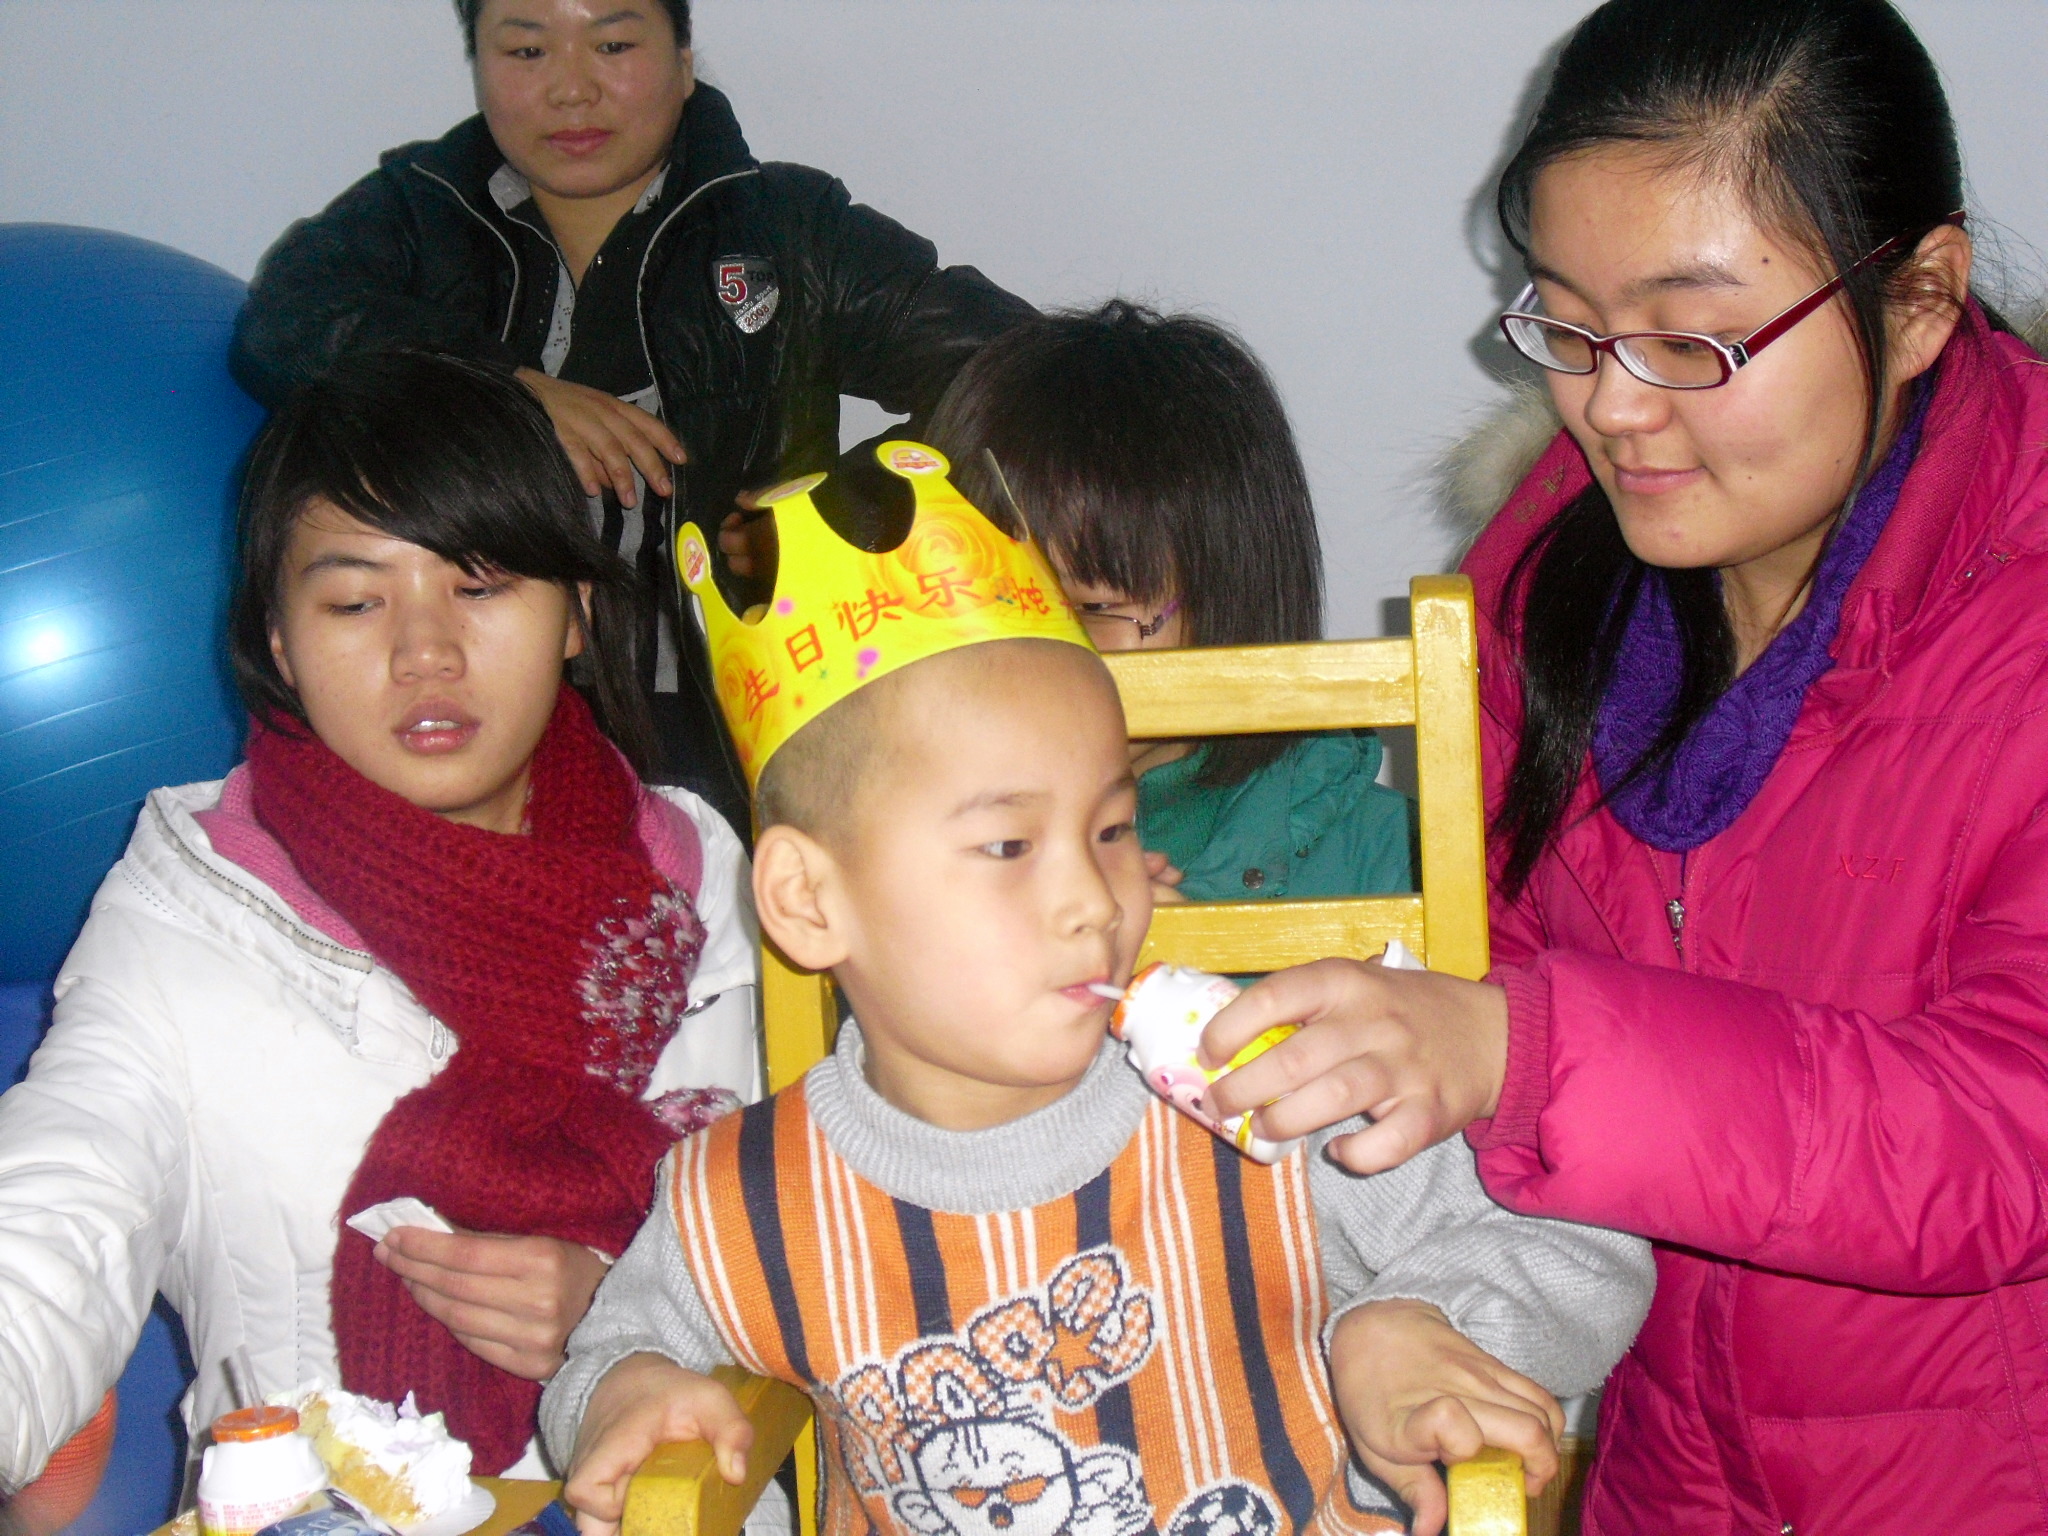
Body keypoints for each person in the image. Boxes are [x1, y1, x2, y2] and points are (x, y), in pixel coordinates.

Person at [1195, 1, 2048, 1530]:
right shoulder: (1552, 583)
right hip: (1671, 1483)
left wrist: (1519, 1053)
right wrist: (1415, 1317)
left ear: (1919, 300)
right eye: (1568, 325)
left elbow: (2000, 1143)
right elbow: (1488, 1034)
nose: (1611, 406)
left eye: (1691, 338)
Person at [537, 453, 1653, 1536]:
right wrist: (627, 1395)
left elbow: (1581, 1238)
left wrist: (1419, 1324)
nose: (1093, 898)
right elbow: (609, 1357)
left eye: (1112, 828)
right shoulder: (737, 1201)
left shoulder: (1254, 1089)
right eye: (1009, 844)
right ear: (807, 900)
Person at [0, 352, 760, 1488]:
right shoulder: (189, 907)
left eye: (481, 585)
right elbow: (60, 1212)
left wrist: (631, 1319)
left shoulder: (704, 880)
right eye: (357, 602)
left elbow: (819, 1226)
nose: (425, 653)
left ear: (575, 613)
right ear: (277, 641)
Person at [228, 0, 1036, 835]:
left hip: (742, 714)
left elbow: (1021, 371)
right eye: (527, 51)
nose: (571, 89)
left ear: (684, 60)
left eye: (612, 43)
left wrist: (845, 514)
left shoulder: (789, 228)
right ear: (479, 65)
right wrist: (509, 391)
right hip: (477, 712)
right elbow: (282, 324)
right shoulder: (419, 213)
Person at [928, 302, 1415, 904]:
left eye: (1093, 609)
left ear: (1228, 596)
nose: (1033, 647)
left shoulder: (1402, 864)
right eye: (990, 602)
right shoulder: (899, 855)